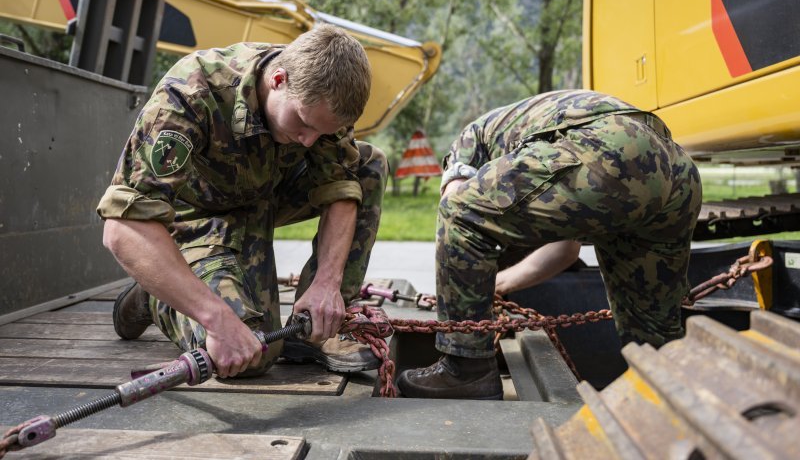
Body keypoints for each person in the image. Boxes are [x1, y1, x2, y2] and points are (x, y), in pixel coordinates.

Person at [97, 24, 388, 378]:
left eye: (321, 133)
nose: (309, 142)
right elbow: (123, 228)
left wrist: (327, 284)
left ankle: (317, 325)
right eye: (302, 124)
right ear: (278, 79)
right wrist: (214, 317)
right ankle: (157, 292)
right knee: (251, 351)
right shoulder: (191, 94)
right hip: (196, 221)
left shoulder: (324, 94)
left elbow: (341, 183)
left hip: (264, 198)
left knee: (368, 165)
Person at [397, 89, 702, 399]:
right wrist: (498, 285)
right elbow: (566, 249)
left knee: (460, 214)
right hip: (676, 169)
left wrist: (470, 295)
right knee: (653, 337)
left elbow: (456, 206)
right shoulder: (539, 129)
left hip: (611, 146)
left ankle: (465, 370)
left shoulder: (472, 136)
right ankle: (672, 409)